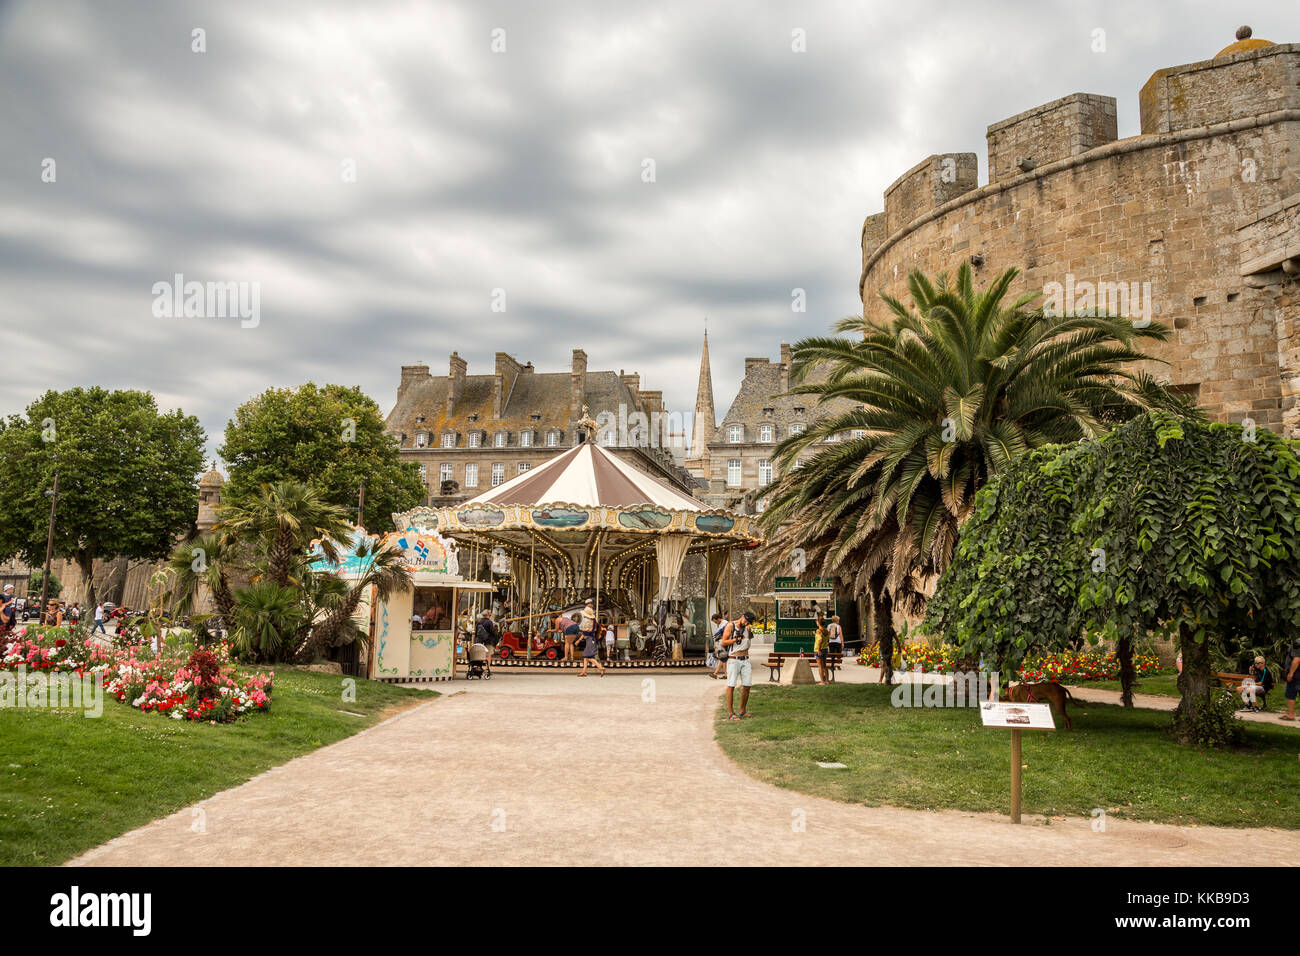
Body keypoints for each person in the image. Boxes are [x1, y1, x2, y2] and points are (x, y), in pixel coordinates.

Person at [721, 611, 755, 720]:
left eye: (748, 622)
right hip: (733, 659)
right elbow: (723, 642)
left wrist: (749, 631)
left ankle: (742, 711)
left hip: (746, 659)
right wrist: (735, 639)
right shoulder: (731, 625)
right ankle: (731, 713)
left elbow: (749, 639)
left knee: (747, 685)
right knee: (731, 685)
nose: (746, 623)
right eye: (745, 621)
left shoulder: (747, 628)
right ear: (742, 617)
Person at [578, 612, 605, 677]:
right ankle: (584, 672)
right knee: (586, 657)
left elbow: (584, 633)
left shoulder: (589, 622)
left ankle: (600, 668)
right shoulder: (593, 621)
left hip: (589, 640)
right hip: (591, 640)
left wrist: (579, 640)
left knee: (588, 657)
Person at [1282, 639, 1300, 722]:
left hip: (1296, 675)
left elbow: (1297, 659)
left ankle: (1291, 714)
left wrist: (1291, 673)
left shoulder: (1298, 643)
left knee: (1290, 694)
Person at [708, 612, 727, 679]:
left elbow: (724, 633)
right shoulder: (721, 624)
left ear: (718, 618)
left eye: (716, 621)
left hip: (724, 642)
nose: (716, 623)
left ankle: (715, 673)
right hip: (721, 642)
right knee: (723, 658)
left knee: (722, 657)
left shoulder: (724, 623)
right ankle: (725, 674)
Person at [813, 617, 830, 684]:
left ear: (819, 623)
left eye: (817, 621)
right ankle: (827, 680)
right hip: (825, 649)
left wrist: (819, 649)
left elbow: (820, 640)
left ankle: (822, 681)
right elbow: (827, 640)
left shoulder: (818, 631)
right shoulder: (826, 630)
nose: (816, 622)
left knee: (820, 666)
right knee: (824, 666)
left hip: (819, 650)